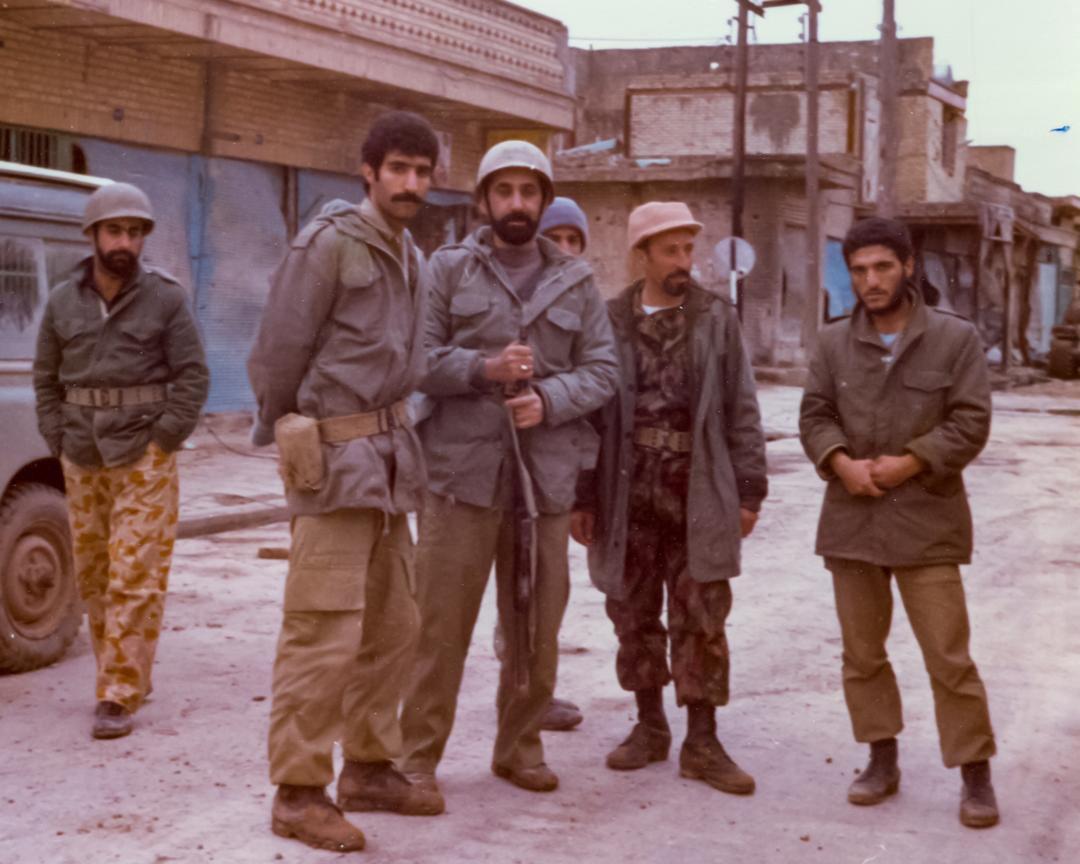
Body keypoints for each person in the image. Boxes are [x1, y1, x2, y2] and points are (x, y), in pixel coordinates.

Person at [398, 140, 619, 800]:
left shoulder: (576, 281)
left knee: (535, 628)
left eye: (528, 192)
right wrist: (483, 369)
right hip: (459, 477)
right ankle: (416, 758)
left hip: (542, 481)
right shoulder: (447, 269)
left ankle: (520, 748)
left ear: (544, 201)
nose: (516, 204)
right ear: (484, 200)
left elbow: (603, 370)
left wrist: (549, 400)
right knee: (439, 627)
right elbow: (416, 359)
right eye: (504, 191)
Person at [248, 110, 442, 854]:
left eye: (422, 172)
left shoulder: (412, 255)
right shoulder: (327, 244)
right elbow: (277, 353)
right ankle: (298, 792)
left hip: (390, 468)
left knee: (394, 628)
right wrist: (293, 437)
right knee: (322, 632)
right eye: (398, 169)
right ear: (368, 171)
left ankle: (368, 767)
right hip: (334, 466)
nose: (410, 183)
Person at [798, 217, 999, 829]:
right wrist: (840, 462)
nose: (872, 280)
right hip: (852, 522)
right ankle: (880, 760)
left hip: (927, 522)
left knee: (948, 656)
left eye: (883, 266)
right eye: (859, 270)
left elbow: (971, 421)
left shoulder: (954, 339)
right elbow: (815, 415)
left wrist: (911, 462)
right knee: (862, 655)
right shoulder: (833, 342)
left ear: (908, 266)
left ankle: (975, 774)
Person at [571, 201, 767, 795]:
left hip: (697, 490)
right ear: (642, 256)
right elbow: (591, 416)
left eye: (688, 249)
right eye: (670, 251)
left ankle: (702, 741)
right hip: (627, 492)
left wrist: (750, 491)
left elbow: (742, 407)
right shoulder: (609, 321)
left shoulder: (715, 318)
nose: (684, 261)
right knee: (632, 612)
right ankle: (650, 725)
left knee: (702, 614)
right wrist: (584, 494)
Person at [33, 182, 209, 741]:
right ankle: (126, 670)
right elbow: (45, 378)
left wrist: (164, 440)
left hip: (142, 454)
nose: (124, 243)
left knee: (135, 571)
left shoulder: (166, 298)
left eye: (134, 233)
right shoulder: (62, 301)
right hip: (81, 452)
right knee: (94, 573)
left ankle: (117, 691)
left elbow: (193, 376)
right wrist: (57, 437)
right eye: (114, 231)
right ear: (92, 235)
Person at [492, 195, 593, 733]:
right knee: (515, 587)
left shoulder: (587, 301)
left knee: (549, 590)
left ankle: (533, 690)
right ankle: (517, 687)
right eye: (558, 239)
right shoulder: (511, 296)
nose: (567, 250)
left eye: (576, 241)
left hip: (559, 465)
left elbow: (598, 382)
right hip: (500, 464)